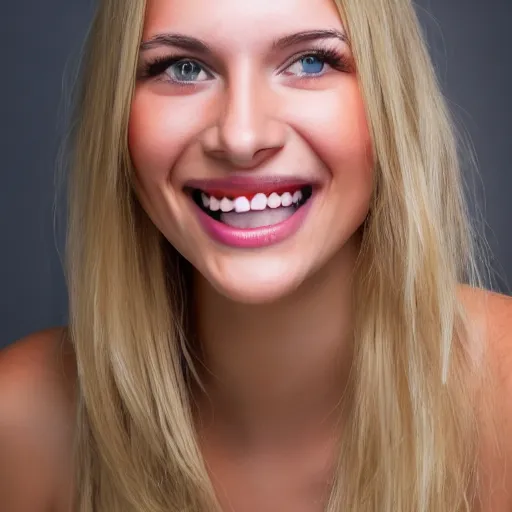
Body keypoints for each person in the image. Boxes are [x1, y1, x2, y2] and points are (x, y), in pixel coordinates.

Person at [1, 0, 511, 510]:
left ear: (390, 95)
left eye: (310, 61)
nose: (242, 138)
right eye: (184, 68)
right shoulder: (19, 423)